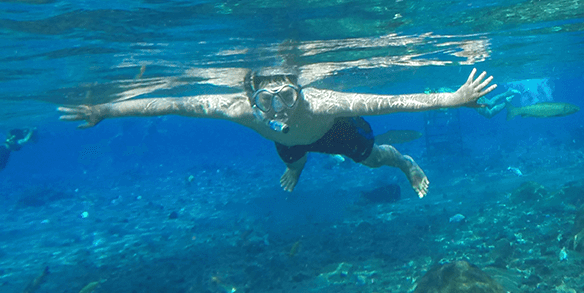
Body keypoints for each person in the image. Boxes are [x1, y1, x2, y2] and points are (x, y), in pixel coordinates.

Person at [58, 69, 496, 197]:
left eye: (286, 95)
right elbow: (171, 105)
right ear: (252, 99)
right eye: (266, 100)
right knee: (292, 152)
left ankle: (407, 162)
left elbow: (394, 102)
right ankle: (299, 168)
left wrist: (454, 100)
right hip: (290, 144)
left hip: (333, 133)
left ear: (299, 89)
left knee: (376, 159)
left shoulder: (325, 103)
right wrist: (104, 110)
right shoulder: (237, 109)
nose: (278, 107)